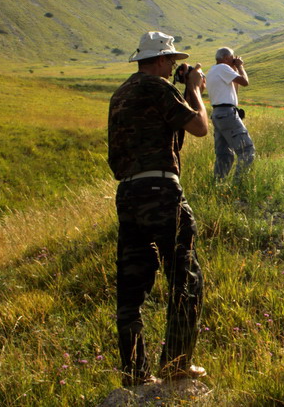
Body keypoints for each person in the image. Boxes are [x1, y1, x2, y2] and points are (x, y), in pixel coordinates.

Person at [107, 30, 209, 386]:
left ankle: (135, 372)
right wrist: (195, 90)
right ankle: (176, 364)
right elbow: (199, 127)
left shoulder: (121, 94)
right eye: (171, 61)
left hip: (128, 193)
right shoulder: (158, 88)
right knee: (185, 277)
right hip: (161, 190)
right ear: (163, 59)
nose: (172, 68)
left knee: (131, 286)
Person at [206, 47, 255, 181]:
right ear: (226, 58)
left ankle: (218, 183)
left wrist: (233, 69)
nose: (234, 61)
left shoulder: (212, 71)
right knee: (246, 150)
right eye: (232, 58)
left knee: (224, 154)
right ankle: (238, 184)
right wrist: (240, 67)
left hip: (218, 114)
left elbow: (235, 92)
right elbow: (245, 82)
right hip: (227, 113)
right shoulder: (223, 68)